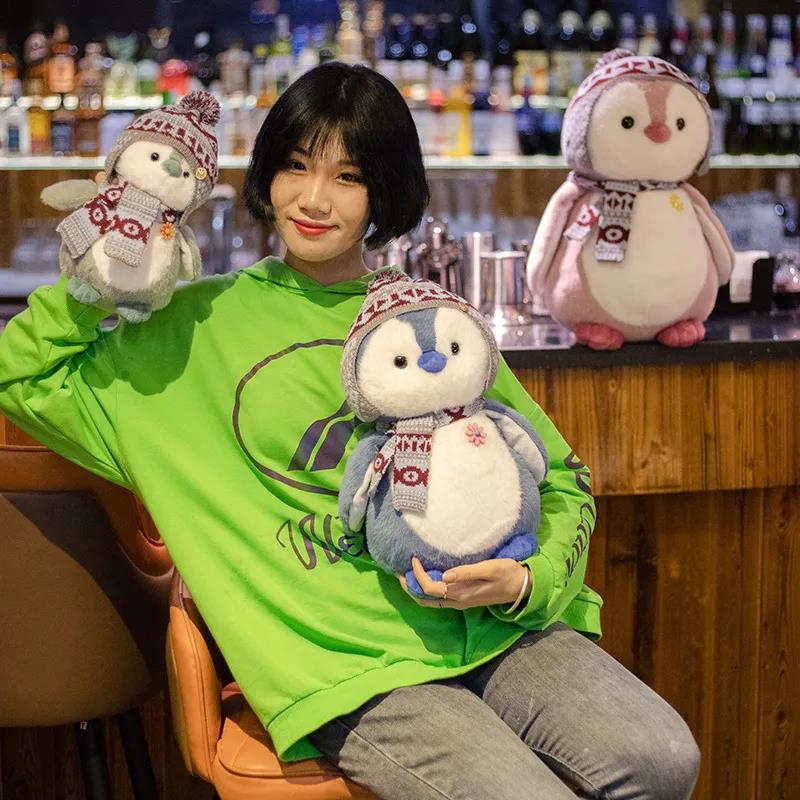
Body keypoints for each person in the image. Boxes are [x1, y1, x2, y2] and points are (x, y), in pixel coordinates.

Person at [0, 62, 700, 799]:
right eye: (296, 166)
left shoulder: (431, 321)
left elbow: (560, 476)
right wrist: (103, 269)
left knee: (661, 759)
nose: (313, 199)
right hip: (346, 662)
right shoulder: (188, 328)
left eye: (348, 176)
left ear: (383, 191)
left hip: (496, 629)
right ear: (266, 173)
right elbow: (20, 376)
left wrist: (529, 580)